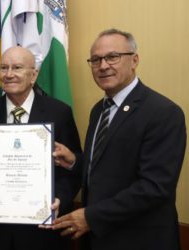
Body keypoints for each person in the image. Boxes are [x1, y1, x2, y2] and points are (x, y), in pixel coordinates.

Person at [51, 29, 187, 250]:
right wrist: (76, 162)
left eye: (112, 57)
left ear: (134, 60)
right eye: (95, 60)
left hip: (140, 240)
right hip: (98, 239)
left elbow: (155, 187)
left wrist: (91, 217)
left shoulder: (164, 112)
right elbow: (110, 167)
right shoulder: (99, 110)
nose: (103, 66)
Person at [0, 46, 83, 250]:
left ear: (33, 75)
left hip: (42, 233)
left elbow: (74, 166)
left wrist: (60, 200)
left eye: (17, 67)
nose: (9, 74)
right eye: (3, 68)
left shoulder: (59, 112)